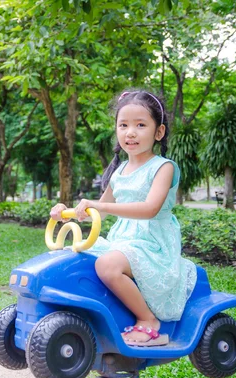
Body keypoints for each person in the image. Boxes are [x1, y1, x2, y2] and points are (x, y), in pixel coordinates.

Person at [50, 90, 196, 347]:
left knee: (107, 265)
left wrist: (97, 204)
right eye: (124, 125)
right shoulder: (119, 171)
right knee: (75, 252)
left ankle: (148, 321)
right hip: (124, 240)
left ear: (158, 132)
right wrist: (67, 212)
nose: (131, 132)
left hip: (152, 243)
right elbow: (103, 209)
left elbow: (150, 209)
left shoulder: (164, 167)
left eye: (141, 125)